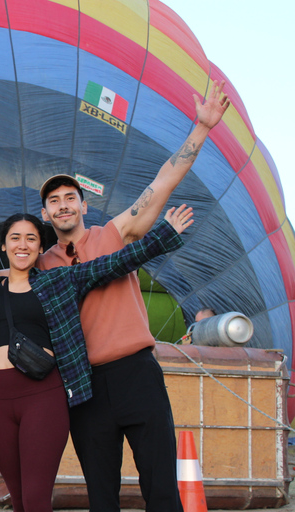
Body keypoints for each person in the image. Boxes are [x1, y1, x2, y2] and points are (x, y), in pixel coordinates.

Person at [38, 80, 230, 511]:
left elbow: (161, 183)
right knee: (101, 497)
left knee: (161, 487)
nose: (63, 205)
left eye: (71, 197)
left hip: (136, 374)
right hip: (84, 386)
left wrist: (201, 129)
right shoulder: (41, 266)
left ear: (84, 206)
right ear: (46, 213)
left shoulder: (114, 234)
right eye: (54, 201)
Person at [0, 207, 192, 512]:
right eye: (15, 238)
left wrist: (163, 235)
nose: (23, 244)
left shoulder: (57, 282)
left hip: (41, 394)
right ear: (4, 244)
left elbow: (114, 263)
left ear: (40, 247)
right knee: (18, 499)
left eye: (31, 239)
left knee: (36, 499)